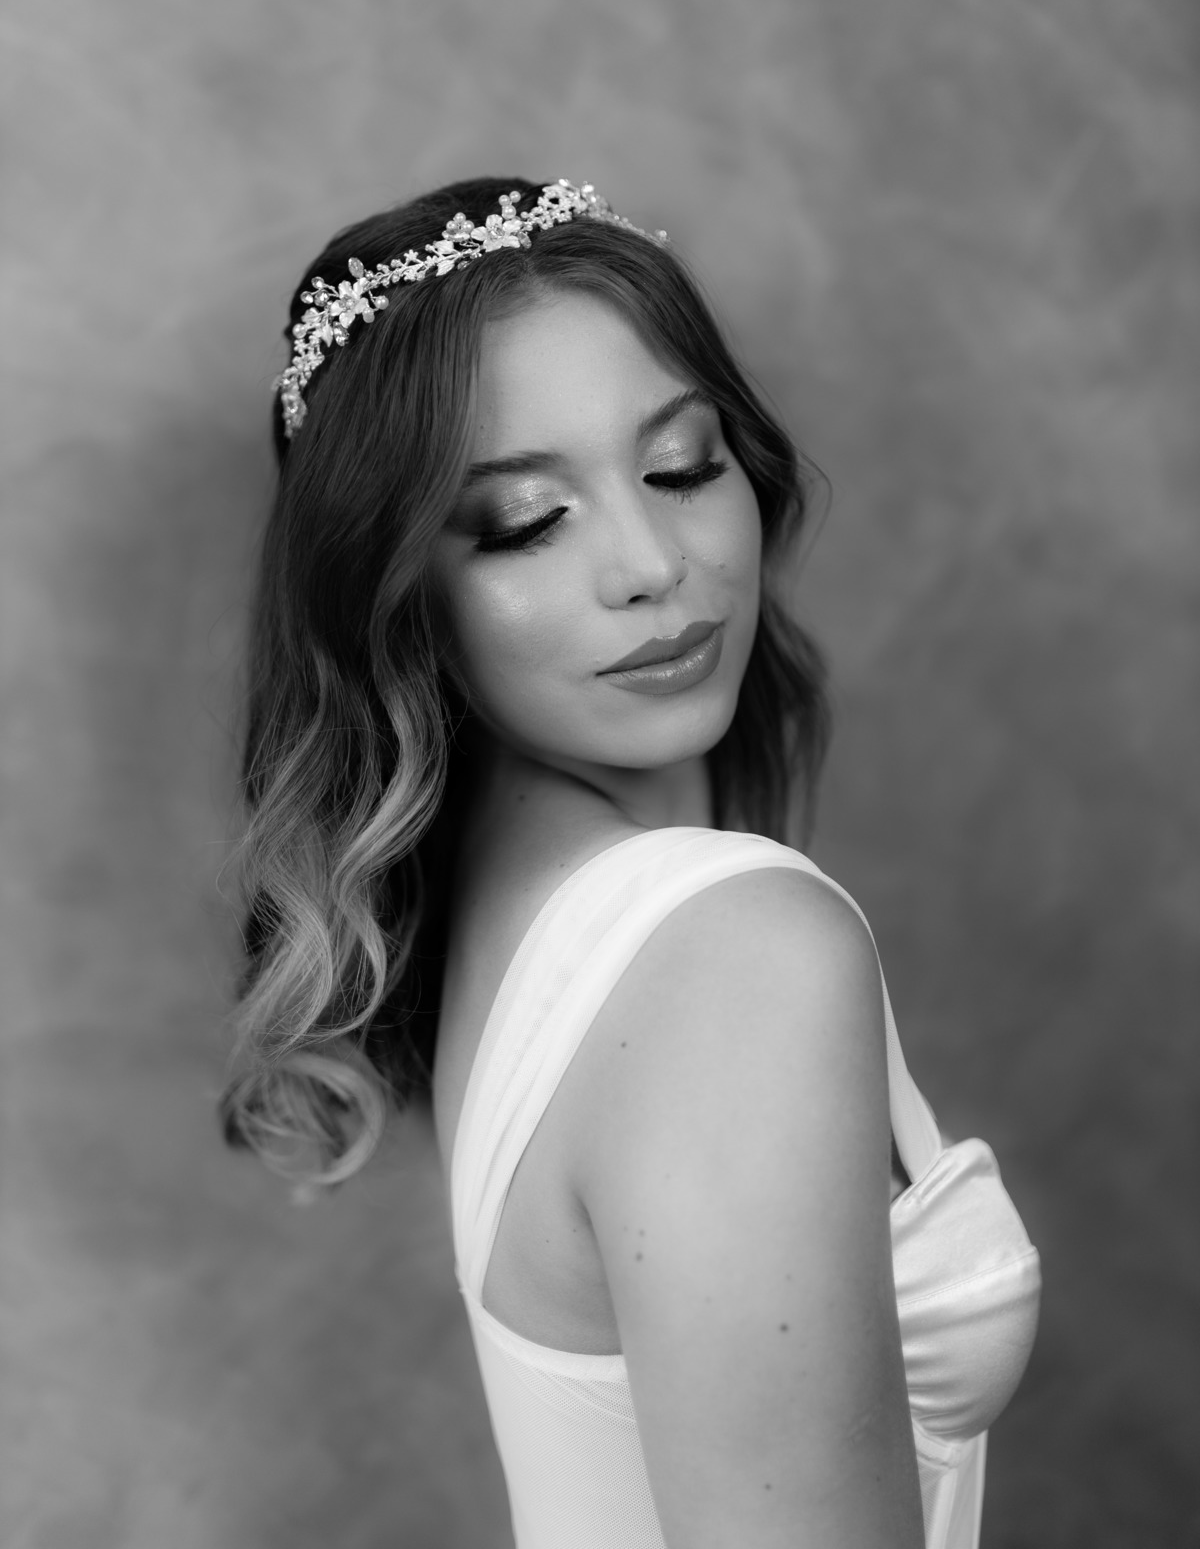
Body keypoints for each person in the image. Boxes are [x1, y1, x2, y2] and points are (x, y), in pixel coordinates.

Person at [222, 176, 1041, 1549]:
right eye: (527, 521)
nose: (652, 563)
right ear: (397, 596)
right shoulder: (728, 956)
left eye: (681, 466)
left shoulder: (519, 910)